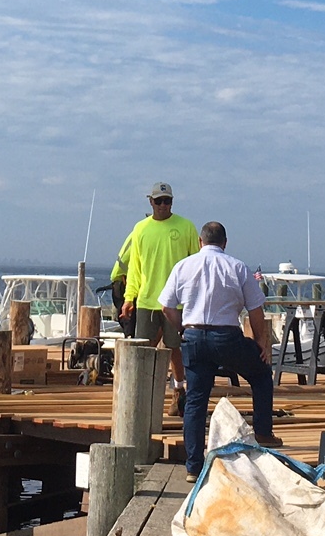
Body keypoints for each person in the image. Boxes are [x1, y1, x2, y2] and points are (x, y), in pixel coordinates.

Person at [158, 221, 277, 474]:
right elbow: (256, 311)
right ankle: (264, 432)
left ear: (200, 242)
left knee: (196, 400)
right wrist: (261, 343)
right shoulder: (238, 267)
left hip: (193, 336)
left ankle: (193, 466)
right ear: (225, 243)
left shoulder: (184, 266)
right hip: (227, 337)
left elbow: (166, 307)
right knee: (261, 374)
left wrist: (182, 328)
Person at [112, 183, 200, 388]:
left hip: (176, 303)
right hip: (146, 301)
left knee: (174, 348)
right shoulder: (140, 229)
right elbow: (134, 268)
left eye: (167, 200)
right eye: (158, 201)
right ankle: (145, 390)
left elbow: (196, 266)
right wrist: (128, 299)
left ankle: (179, 389)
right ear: (150, 202)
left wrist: (193, 300)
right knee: (145, 348)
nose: (163, 205)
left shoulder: (186, 226)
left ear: (172, 202)